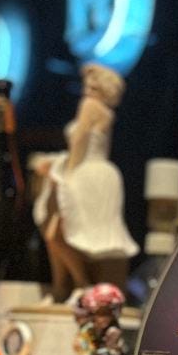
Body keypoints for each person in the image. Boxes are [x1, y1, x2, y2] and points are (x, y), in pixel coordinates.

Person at [34, 63, 138, 301]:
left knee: (57, 233)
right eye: (87, 85)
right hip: (101, 175)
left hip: (83, 174)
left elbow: (79, 141)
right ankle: (66, 287)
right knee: (67, 233)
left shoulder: (90, 106)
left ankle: (79, 283)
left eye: (93, 86)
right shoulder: (107, 113)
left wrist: (64, 173)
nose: (87, 90)